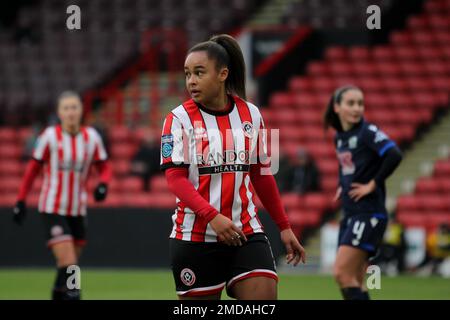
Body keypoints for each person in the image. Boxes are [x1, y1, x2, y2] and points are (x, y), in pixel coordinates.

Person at [160, 34, 306, 300]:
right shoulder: (177, 119)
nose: (191, 81)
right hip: (195, 237)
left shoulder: (252, 114)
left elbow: (263, 175)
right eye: (187, 74)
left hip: (246, 232)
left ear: (223, 74)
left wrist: (284, 226)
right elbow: (175, 180)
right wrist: (212, 216)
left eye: (199, 73)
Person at [12, 91, 112, 300]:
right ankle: (75, 295)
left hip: (78, 210)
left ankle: (59, 295)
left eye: (74, 107)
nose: (71, 112)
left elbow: (104, 167)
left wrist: (103, 184)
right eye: (66, 108)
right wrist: (21, 199)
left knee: (66, 265)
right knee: (70, 264)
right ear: (59, 112)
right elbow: (32, 169)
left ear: (81, 110)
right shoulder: (49, 137)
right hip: (52, 208)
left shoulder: (91, 137)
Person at [324, 85, 403, 300]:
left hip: (368, 214)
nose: (357, 108)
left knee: (341, 273)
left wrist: (373, 184)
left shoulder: (366, 132)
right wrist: (344, 184)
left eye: (360, 103)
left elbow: (394, 154)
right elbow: (348, 167)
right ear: (337, 107)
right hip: (351, 214)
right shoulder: (340, 137)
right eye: (351, 103)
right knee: (357, 279)